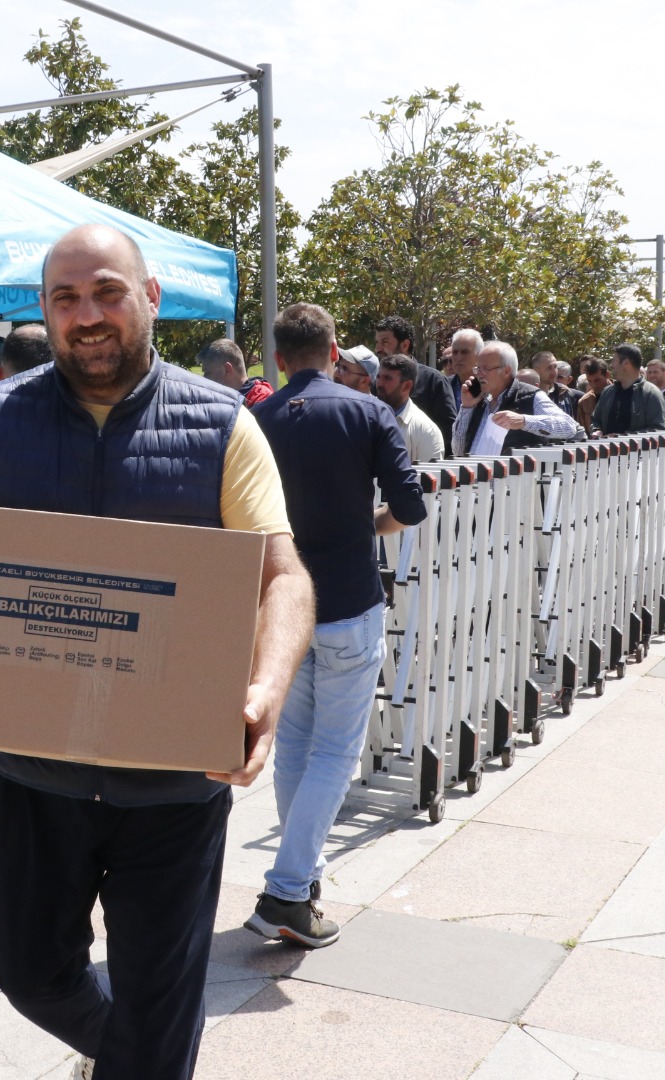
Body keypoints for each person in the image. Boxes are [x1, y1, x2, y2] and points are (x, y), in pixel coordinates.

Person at [0, 224, 313, 1080]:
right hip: (33, 772)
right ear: (44, 311)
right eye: (65, 298)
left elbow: (281, 576)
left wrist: (265, 687)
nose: (87, 315)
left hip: (175, 783)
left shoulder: (222, 425)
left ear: (148, 298)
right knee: (25, 965)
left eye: (107, 291)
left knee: (159, 995)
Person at [247, 302, 426, 948]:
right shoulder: (368, 411)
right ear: (332, 353)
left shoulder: (257, 418)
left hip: (279, 607)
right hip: (349, 599)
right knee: (331, 752)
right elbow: (409, 506)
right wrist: (368, 527)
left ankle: (300, 881)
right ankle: (289, 890)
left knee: (292, 748)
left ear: (278, 359)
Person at [452, 341, 583, 456]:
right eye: (478, 368)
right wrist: (467, 407)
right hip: (475, 482)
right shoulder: (479, 401)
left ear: (506, 371)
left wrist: (523, 421)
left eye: (485, 368)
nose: (478, 374)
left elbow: (568, 426)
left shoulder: (530, 396)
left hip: (513, 482)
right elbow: (457, 451)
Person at [377, 315, 456, 450]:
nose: (378, 349)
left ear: (404, 345)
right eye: (377, 342)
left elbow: (447, 432)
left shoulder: (433, 381)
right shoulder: (377, 382)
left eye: (385, 342)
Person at [375, 352, 446, 463]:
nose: (379, 383)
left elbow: (428, 477)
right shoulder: (366, 418)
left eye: (387, 378)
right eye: (378, 377)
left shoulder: (426, 430)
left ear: (407, 385)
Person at [592, 344, 665, 435]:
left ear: (626, 364)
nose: (611, 365)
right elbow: (596, 420)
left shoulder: (651, 394)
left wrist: (623, 438)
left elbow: (658, 430)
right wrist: (597, 430)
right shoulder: (607, 392)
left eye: (614, 361)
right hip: (606, 448)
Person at [199, 337, 275, 407]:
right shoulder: (225, 399)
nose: (204, 378)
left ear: (227, 370)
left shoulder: (262, 400)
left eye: (207, 372)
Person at [444, 328, 482, 401]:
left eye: (465, 352)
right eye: (455, 352)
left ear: (479, 355)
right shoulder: (443, 386)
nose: (458, 357)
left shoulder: (488, 386)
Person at [574, 357, 610, 429]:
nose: (594, 385)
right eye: (589, 381)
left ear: (607, 375)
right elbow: (582, 432)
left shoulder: (621, 393)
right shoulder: (584, 402)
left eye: (597, 380)